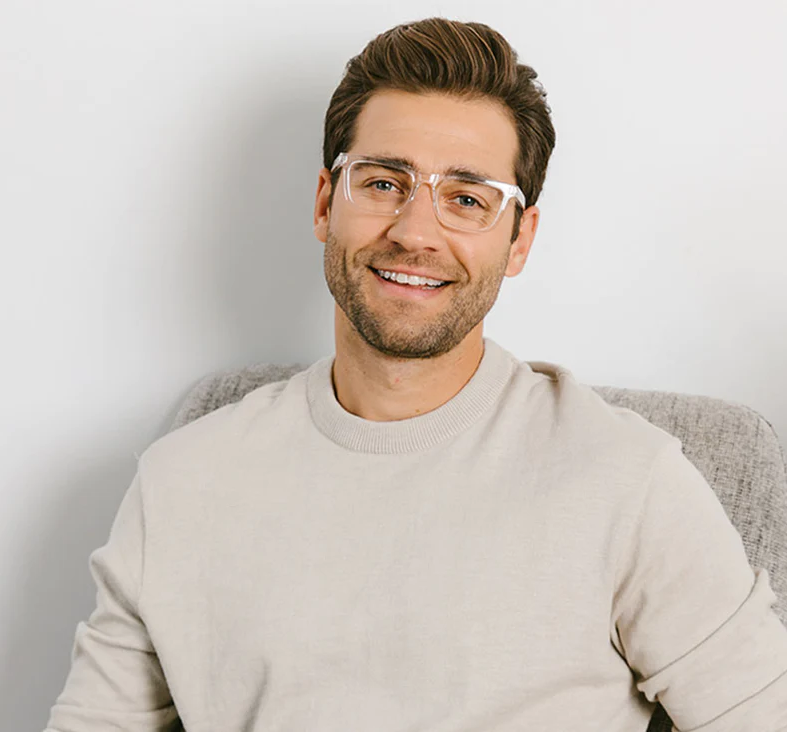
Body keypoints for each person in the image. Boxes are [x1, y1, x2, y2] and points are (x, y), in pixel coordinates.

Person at [44, 17, 787, 732]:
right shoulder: (181, 483)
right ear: (325, 203)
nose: (415, 232)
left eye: (466, 199)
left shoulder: (629, 481)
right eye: (382, 183)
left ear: (519, 240)